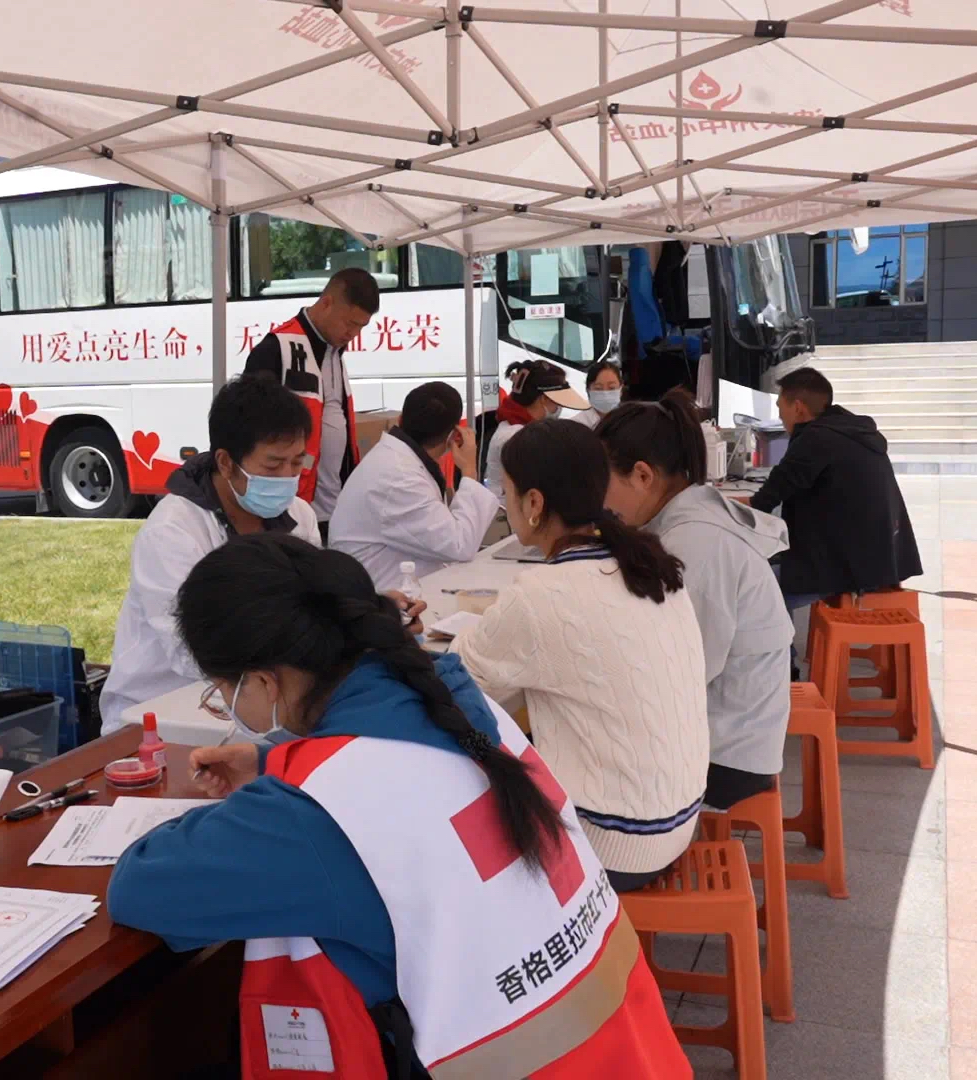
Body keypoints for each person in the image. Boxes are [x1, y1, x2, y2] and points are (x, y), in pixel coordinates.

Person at [107, 534, 691, 1080]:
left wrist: (276, 795)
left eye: (222, 693)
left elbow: (141, 886)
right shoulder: (462, 706)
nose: (227, 706)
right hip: (633, 1050)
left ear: (264, 682)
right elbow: (403, 782)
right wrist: (273, 761)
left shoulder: (314, 819)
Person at [454, 420, 710, 890]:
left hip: (611, 845)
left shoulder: (540, 594)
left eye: (507, 491)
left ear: (534, 503)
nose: (505, 502)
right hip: (679, 822)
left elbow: (458, 677)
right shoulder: (649, 566)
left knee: (462, 783)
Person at [598, 391, 794, 811]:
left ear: (642, 476)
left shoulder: (694, 545)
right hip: (723, 731)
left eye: (603, 484)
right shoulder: (688, 521)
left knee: (557, 754)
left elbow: (684, 672)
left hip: (724, 758)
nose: (601, 502)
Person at [97, 375, 320, 732]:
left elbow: (314, 608)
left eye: (296, 463)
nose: (287, 478)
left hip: (265, 701)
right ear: (226, 462)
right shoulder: (173, 531)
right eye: (272, 466)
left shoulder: (299, 516)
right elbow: (190, 649)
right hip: (160, 710)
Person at [752, 367, 924, 617]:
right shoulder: (850, 432)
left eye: (780, 408)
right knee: (769, 571)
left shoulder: (815, 439)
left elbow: (765, 500)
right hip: (880, 559)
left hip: (849, 568)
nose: (780, 416)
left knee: (754, 590)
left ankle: (781, 644)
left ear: (798, 408)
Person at [243, 267, 380, 538]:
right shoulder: (277, 348)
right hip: (290, 511)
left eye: (361, 327)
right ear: (326, 303)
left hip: (334, 511)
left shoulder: (334, 353)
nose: (353, 333)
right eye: (349, 323)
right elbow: (248, 429)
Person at [328, 382, 498, 594]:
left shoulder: (397, 462)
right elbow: (460, 544)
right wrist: (469, 470)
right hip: (380, 598)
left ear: (400, 419)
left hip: (392, 587)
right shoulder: (399, 477)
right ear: (454, 435)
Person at [483, 359, 589, 499]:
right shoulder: (515, 437)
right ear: (544, 399)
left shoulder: (516, 427)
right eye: (557, 403)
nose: (559, 408)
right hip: (508, 509)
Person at [573, 359, 625, 429]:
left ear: (621, 389)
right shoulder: (576, 425)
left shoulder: (630, 421)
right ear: (588, 390)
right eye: (598, 388)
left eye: (612, 388)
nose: (605, 394)